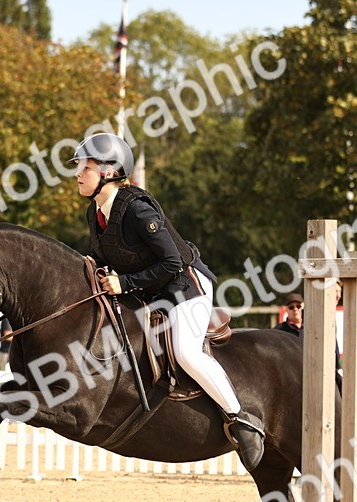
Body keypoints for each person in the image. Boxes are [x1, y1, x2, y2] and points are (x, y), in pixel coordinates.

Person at [70, 132, 264, 470]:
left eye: (84, 167)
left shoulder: (137, 209)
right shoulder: (96, 213)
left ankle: (240, 419)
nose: (77, 174)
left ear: (108, 171)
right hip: (148, 292)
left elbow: (172, 262)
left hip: (185, 286)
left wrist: (124, 282)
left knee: (186, 351)